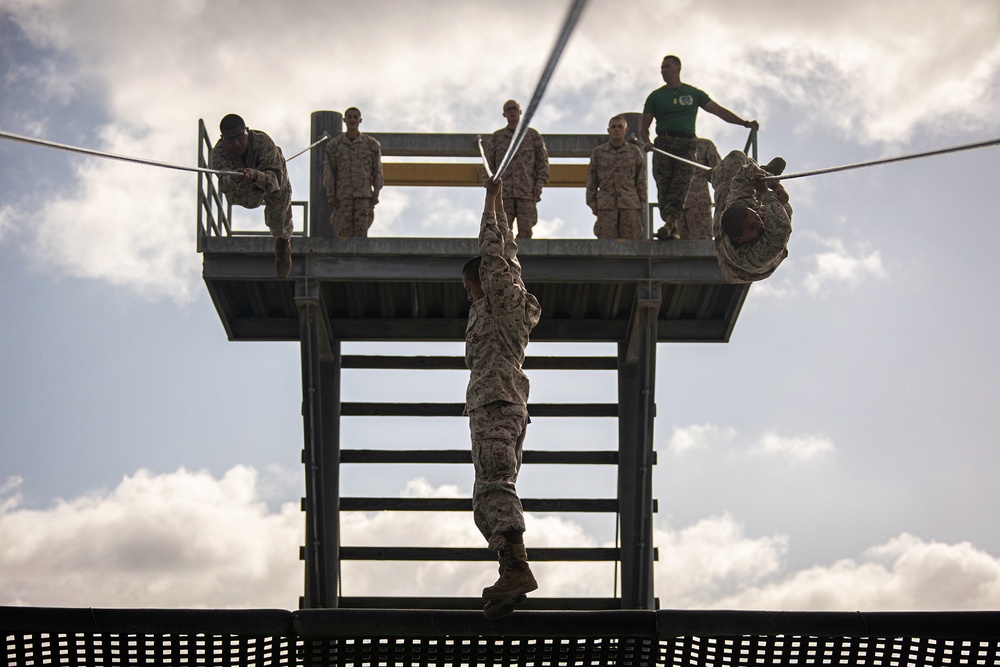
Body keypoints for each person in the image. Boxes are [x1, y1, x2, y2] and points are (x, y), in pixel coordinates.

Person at [462, 177, 542, 619]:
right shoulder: (502, 305)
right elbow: (505, 261)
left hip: (495, 403)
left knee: (494, 485)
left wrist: (492, 201)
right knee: (486, 496)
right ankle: (511, 576)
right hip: (499, 404)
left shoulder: (499, 300)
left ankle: (516, 567)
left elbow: (497, 254)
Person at [640, 55, 759, 241]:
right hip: (663, 144)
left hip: (686, 143)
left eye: (667, 67)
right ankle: (670, 224)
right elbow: (644, 126)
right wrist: (647, 141)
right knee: (664, 186)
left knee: (681, 183)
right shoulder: (655, 96)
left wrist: (743, 123)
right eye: (662, 67)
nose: (663, 70)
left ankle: (671, 223)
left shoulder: (692, 93)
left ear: (678, 69)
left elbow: (718, 111)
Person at [211, 114, 293, 278]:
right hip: (243, 187)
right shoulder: (219, 152)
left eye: (240, 137)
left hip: (270, 176)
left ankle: (283, 243)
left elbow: (274, 181)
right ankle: (247, 185)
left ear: (246, 131)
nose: (236, 143)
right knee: (246, 199)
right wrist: (234, 178)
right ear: (223, 138)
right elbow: (223, 183)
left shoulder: (263, 143)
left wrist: (255, 174)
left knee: (278, 214)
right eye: (230, 140)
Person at [712, 150, 791, 283]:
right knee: (783, 208)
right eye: (752, 227)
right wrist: (765, 192)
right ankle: (758, 184)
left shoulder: (737, 202)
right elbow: (781, 229)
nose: (759, 225)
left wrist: (775, 184)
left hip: (733, 216)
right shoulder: (753, 256)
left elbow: (745, 172)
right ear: (738, 239)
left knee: (735, 162)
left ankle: (718, 176)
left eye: (756, 219)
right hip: (742, 271)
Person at [482, 100, 550, 239]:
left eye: (514, 108)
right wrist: (489, 186)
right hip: (503, 194)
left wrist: (540, 183)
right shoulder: (497, 137)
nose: (512, 112)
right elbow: (488, 165)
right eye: (508, 109)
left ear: (520, 111)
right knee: (502, 231)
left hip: (526, 191)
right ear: (504, 114)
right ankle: (505, 259)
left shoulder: (532, 135)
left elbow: (542, 161)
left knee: (526, 230)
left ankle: (524, 260)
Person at [322, 107, 384, 237]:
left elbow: (377, 170)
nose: (352, 120)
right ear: (344, 120)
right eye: (349, 117)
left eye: (355, 117)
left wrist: (376, 192)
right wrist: (331, 194)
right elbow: (329, 171)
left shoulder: (371, 144)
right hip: (342, 196)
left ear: (360, 120)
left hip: (363, 196)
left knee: (361, 233)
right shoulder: (334, 145)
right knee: (343, 233)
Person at [586, 115, 647, 240]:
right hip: (606, 206)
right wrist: (592, 203)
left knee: (631, 244)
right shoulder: (599, 152)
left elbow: (641, 180)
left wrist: (641, 203)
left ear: (626, 130)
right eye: (613, 127)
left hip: (629, 205)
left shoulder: (634, 152)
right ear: (608, 130)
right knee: (606, 245)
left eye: (620, 127)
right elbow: (592, 180)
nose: (616, 129)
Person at [678, 138, 722, 240]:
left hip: (698, 205)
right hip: (678, 208)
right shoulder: (670, 147)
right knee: (681, 251)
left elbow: (720, 173)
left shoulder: (703, 145)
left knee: (701, 245)